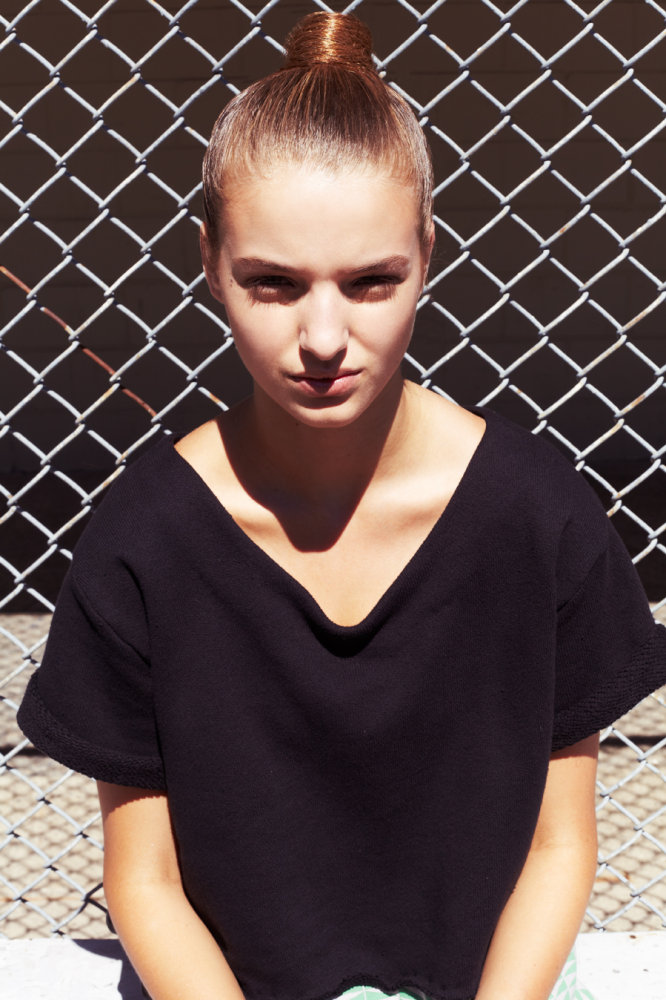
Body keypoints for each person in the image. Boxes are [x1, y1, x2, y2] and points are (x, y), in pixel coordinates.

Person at [18, 11, 666, 1000]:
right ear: (209, 262)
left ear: (428, 255)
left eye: (370, 282)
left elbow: (559, 847)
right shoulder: (143, 546)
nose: (324, 337)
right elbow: (144, 881)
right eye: (273, 284)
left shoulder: (540, 523)